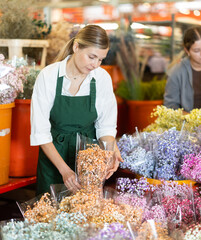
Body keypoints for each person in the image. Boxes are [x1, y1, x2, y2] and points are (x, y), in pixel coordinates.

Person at [30, 25, 123, 195]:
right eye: (91, 57)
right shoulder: (48, 76)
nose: (95, 64)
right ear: (76, 47)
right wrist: (64, 170)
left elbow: (105, 127)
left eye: (101, 59)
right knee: (50, 216)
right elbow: (41, 133)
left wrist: (110, 150)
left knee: (86, 216)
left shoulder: (102, 79)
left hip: (88, 162)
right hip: (53, 159)